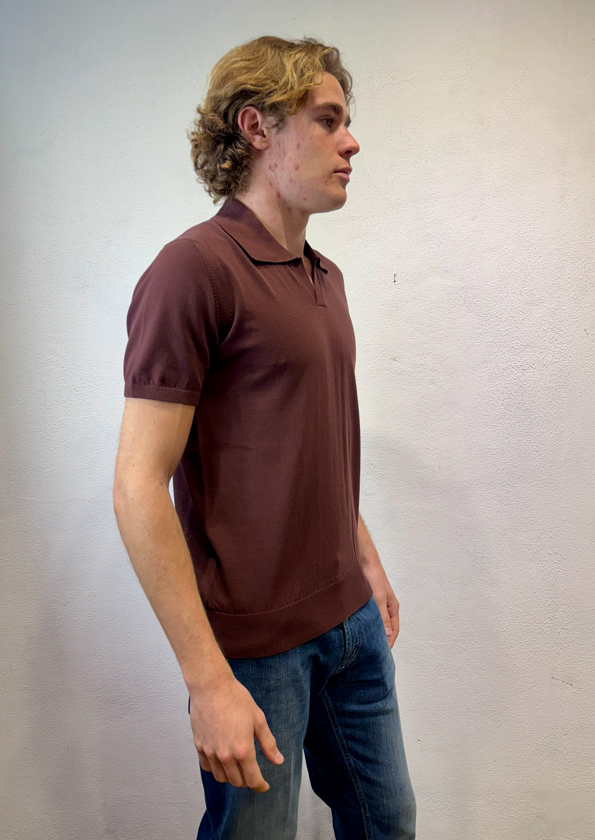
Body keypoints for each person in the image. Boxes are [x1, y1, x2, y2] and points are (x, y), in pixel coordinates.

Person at [113, 35, 416, 840]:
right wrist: (207, 679)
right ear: (256, 127)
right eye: (327, 120)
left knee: (389, 824)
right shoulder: (193, 271)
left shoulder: (325, 277)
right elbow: (138, 486)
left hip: (351, 624)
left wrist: (364, 560)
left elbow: (312, 446)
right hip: (255, 650)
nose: (351, 142)